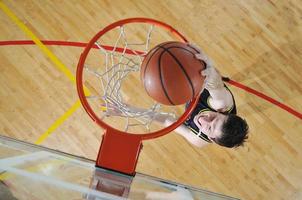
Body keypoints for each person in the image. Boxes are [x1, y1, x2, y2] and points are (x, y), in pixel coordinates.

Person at [163, 44, 249, 148]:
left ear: (210, 138)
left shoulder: (197, 139)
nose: (203, 120)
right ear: (222, 113)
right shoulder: (222, 104)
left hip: (195, 90)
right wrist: (208, 66)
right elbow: (215, 85)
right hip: (210, 88)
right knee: (212, 78)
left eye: (209, 128)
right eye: (214, 117)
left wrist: (140, 113)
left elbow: (166, 120)